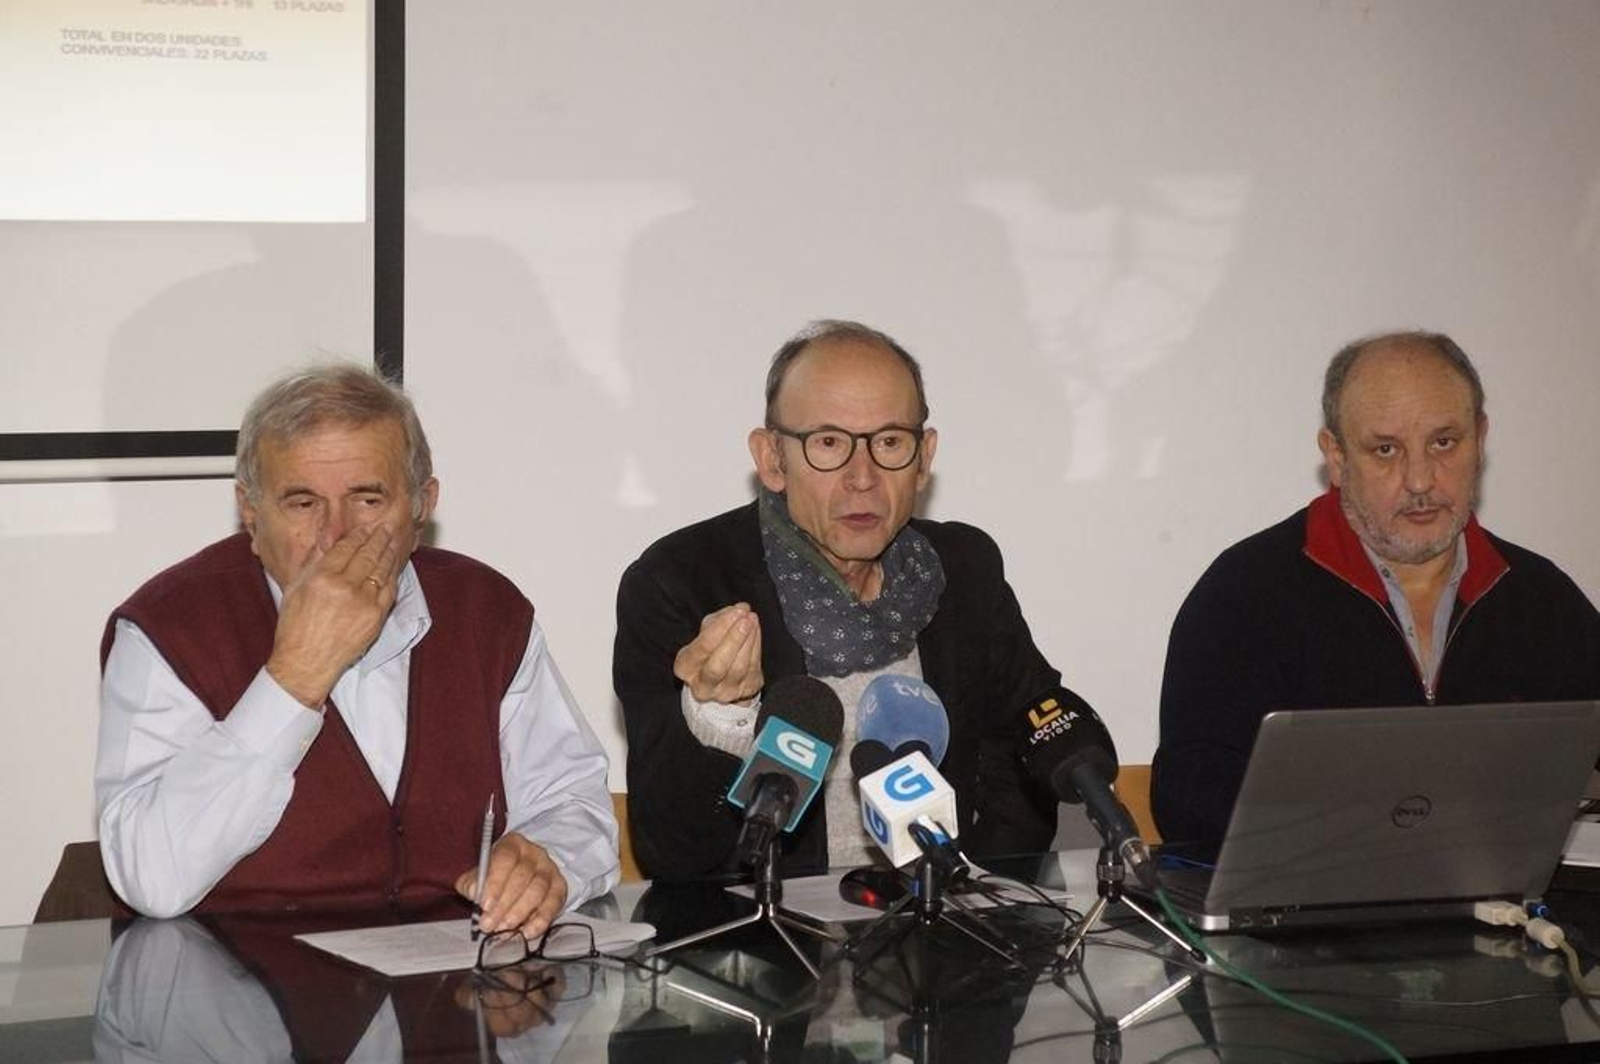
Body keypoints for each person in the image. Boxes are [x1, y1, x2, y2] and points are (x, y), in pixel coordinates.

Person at [95, 364, 618, 933]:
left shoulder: (484, 610)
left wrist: (547, 861)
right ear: (250, 509)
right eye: (302, 504)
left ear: (422, 504)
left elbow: (572, 799)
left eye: (367, 500)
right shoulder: (171, 626)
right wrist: (293, 678)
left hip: (456, 993)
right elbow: (150, 877)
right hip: (239, 984)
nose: (336, 535)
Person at [614, 320, 1089, 880]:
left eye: (890, 442)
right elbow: (672, 850)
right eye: (829, 444)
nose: (862, 478)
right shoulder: (684, 581)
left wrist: (976, 892)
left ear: (924, 457)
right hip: (766, 945)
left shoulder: (963, 568)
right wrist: (717, 720)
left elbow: (1024, 742)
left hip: (943, 934)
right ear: (772, 459)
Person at [1152, 330, 1600, 847]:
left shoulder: (1539, 599)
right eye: (1385, 450)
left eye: (1444, 442)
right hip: (1314, 910)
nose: (1419, 480)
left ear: (1480, 439)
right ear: (1337, 458)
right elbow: (1186, 797)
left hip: (1504, 915)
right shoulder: (1244, 595)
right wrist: (1349, 831)